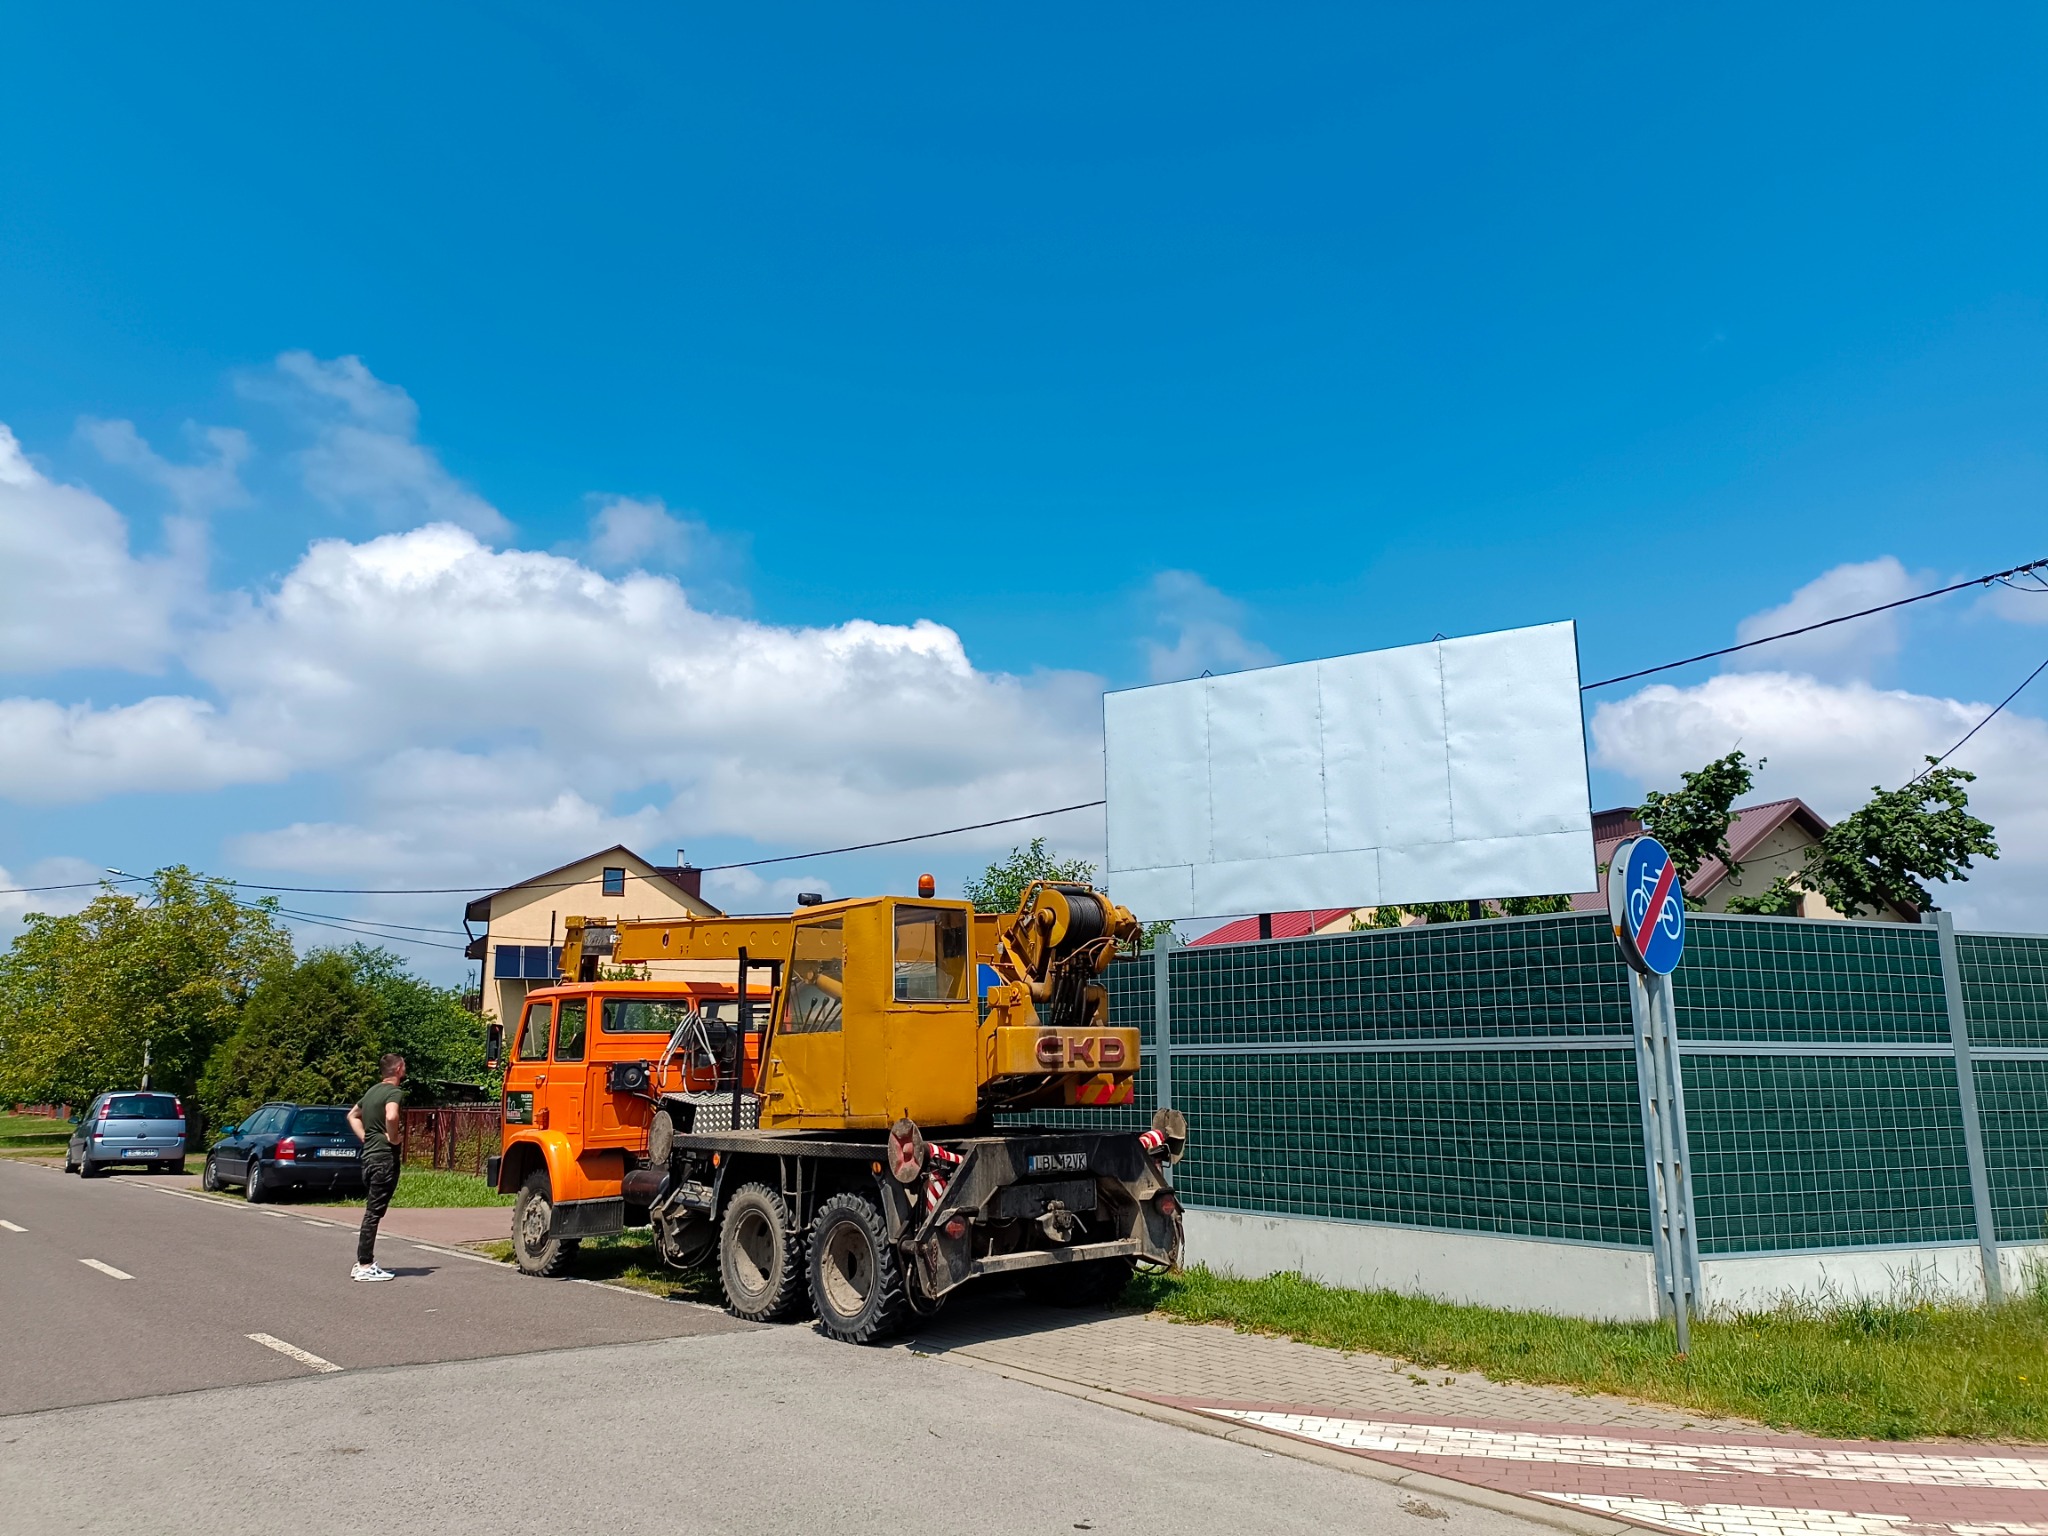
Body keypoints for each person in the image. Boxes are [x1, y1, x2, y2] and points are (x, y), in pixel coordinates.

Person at [347, 1054, 406, 1282]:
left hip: (369, 1157)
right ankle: (365, 1264)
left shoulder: (371, 1092)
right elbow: (392, 1115)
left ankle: (363, 1262)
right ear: (399, 1068)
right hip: (384, 1158)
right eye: (404, 1066)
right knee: (373, 1212)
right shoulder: (394, 1092)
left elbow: (352, 1115)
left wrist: (365, 1137)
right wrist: (393, 1138)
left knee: (373, 1210)